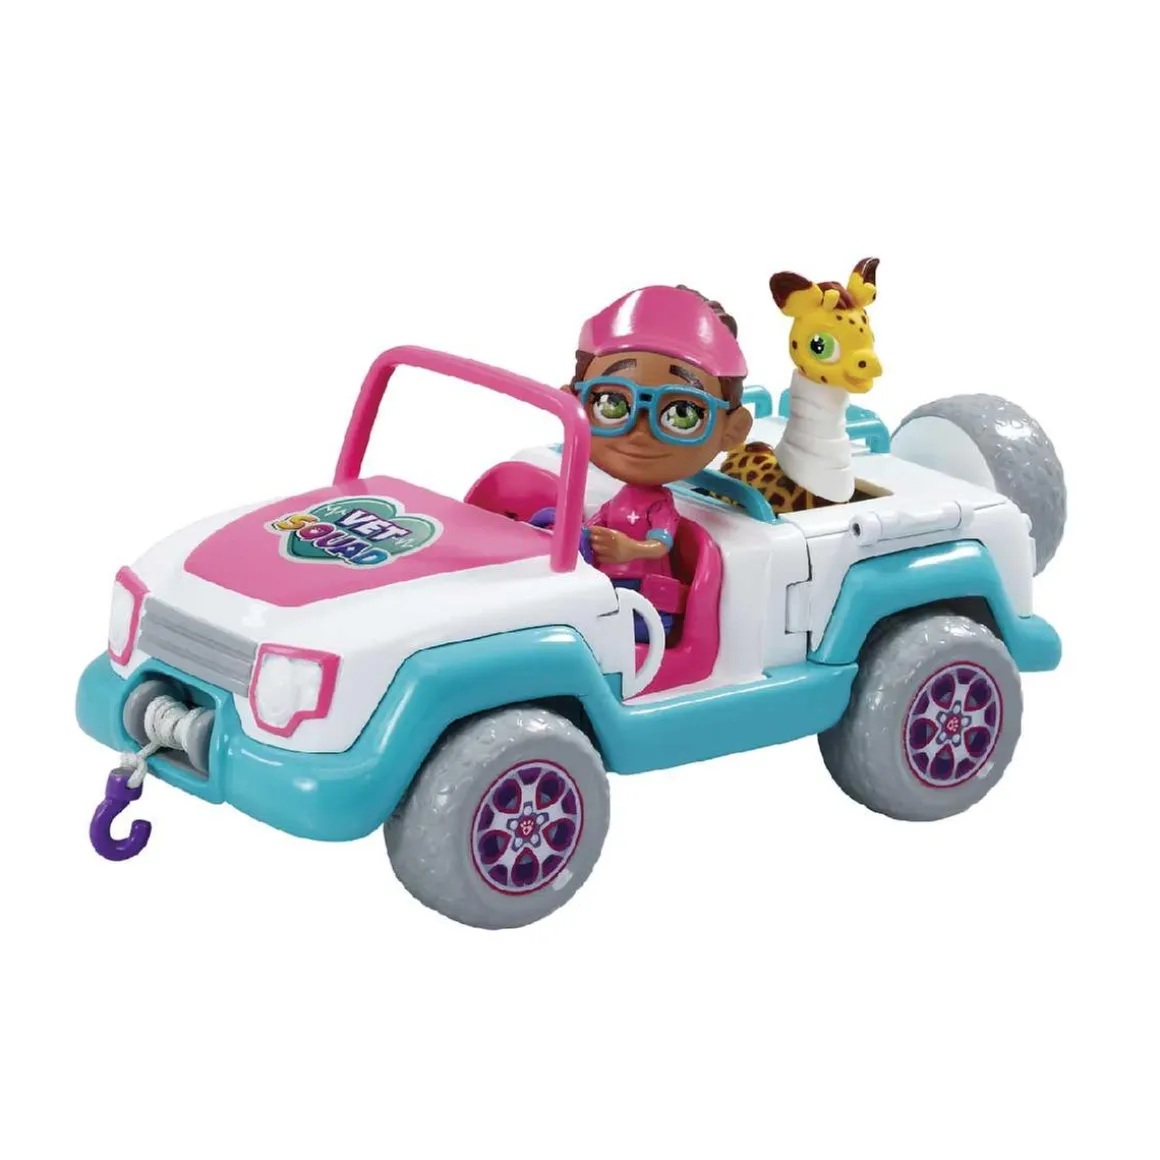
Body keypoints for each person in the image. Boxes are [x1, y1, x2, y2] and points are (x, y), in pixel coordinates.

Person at [568, 285, 753, 638]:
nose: (640, 433)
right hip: (609, 593)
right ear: (573, 406)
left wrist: (630, 549)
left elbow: (661, 544)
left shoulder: (660, 505)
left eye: (681, 413)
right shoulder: (617, 499)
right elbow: (594, 526)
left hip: (649, 600)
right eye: (611, 404)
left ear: (733, 430)